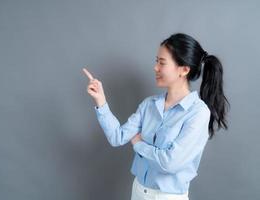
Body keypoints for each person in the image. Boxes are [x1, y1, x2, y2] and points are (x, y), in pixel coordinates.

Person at [82, 33, 230, 200]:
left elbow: (170, 163)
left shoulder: (198, 113)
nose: (155, 67)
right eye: (156, 61)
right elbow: (118, 137)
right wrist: (101, 101)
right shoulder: (149, 105)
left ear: (184, 69)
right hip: (138, 191)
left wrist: (139, 144)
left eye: (162, 62)